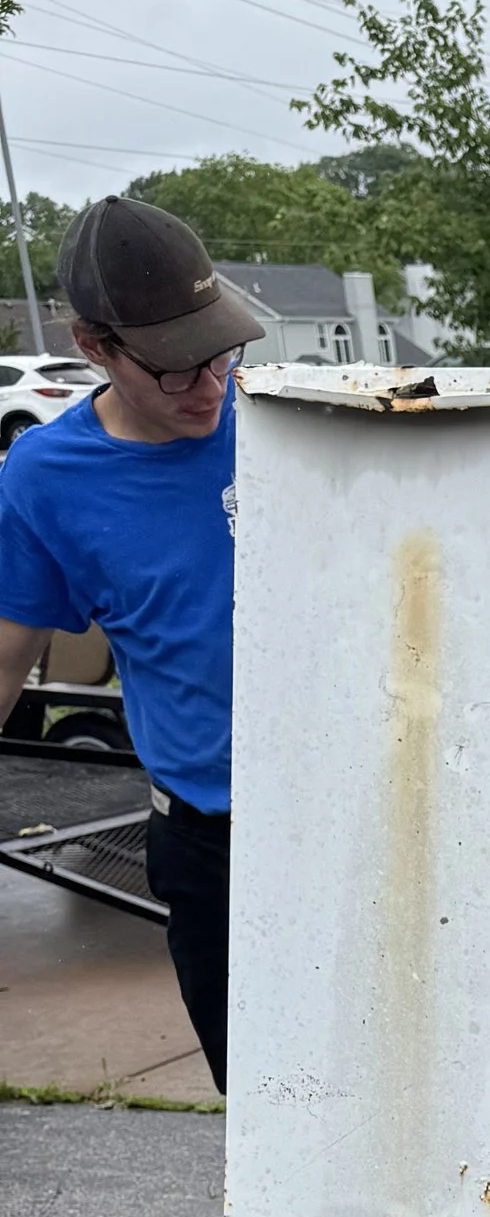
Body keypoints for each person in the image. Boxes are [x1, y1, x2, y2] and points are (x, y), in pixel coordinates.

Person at [0, 198, 265, 1090]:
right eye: (175, 369)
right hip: (213, 844)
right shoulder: (46, 479)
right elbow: (6, 654)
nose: (210, 386)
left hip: (366, 812)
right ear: (94, 346)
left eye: (222, 352)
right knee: (266, 1122)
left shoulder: (289, 422)